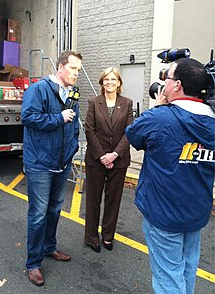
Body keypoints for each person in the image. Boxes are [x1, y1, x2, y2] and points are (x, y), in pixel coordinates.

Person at [125, 58, 215, 294]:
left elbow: (133, 134)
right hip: (196, 213)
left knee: (168, 279)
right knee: (186, 270)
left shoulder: (160, 118)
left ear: (177, 86)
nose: (164, 84)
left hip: (164, 215)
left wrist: (159, 106)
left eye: (168, 79)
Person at [21, 50, 82, 286]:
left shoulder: (72, 94)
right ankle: (33, 263)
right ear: (60, 67)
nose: (77, 73)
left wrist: (72, 150)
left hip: (62, 163)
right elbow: (28, 117)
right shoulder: (39, 89)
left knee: (55, 209)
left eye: (78, 69)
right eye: (73, 68)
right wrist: (58, 118)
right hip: (40, 164)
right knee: (38, 214)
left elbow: (73, 124)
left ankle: (49, 247)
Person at [84, 67, 133, 252]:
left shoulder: (127, 103)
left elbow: (129, 132)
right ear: (102, 82)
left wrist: (114, 154)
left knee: (113, 200)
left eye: (113, 79)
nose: (109, 82)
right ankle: (91, 237)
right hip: (96, 159)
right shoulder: (94, 102)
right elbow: (89, 130)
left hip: (119, 160)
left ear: (119, 83)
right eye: (106, 79)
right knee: (93, 200)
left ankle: (107, 236)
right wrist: (102, 156)